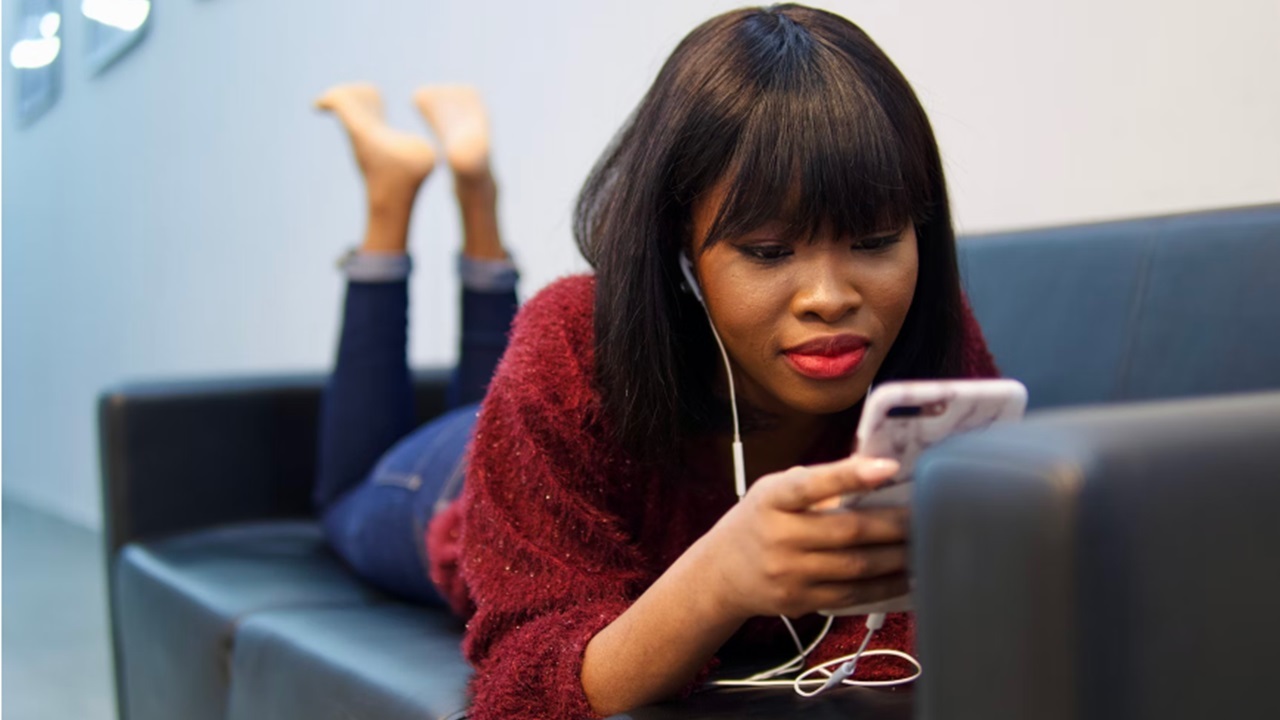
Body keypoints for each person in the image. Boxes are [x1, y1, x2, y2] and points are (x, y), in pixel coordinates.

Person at [312, 5, 999, 720]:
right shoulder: (572, 346)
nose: (831, 298)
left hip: (523, 417)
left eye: (876, 241)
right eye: (768, 252)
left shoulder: (932, 335)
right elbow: (519, 688)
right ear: (681, 244)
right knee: (340, 500)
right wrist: (718, 577)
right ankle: (394, 205)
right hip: (452, 483)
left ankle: (475, 199)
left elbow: (907, 634)